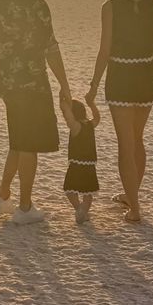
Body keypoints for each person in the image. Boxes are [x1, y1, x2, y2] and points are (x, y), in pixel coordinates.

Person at [0, 0, 72, 225]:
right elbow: (51, 49)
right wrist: (64, 85)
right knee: (28, 144)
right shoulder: (38, 6)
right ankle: (25, 207)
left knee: (19, 140)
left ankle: (2, 196)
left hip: (7, 84)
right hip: (33, 84)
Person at [86, 0, 153, 224]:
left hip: (120, 76)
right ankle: (132, 197)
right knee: (137, 140)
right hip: (145, 77)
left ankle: (135, 207)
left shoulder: (110, 7)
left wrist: (94, 85)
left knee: (126, 144)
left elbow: (104, 51)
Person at [59, 94, 100, 225]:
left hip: (76, 165)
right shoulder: (90, 124)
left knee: (69, 189)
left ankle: (79, 209)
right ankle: (84, 211)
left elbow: (69, 118)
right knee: (88, 192)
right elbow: (97, 117)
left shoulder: (75, 126)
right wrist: (92, 104)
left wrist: (63, 104)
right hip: (90, 166)